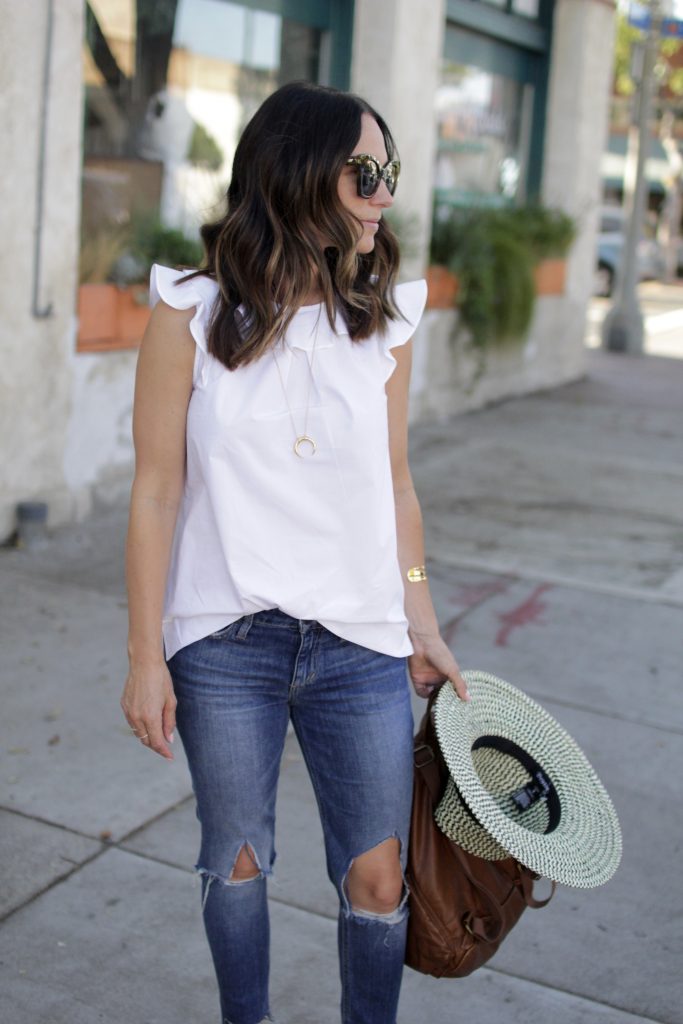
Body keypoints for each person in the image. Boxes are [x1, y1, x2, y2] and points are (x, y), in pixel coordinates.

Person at [120, 81, 469, 1024]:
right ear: (299, 171)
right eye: (366, 173)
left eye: (388, 174)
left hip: (357, 641)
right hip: (222, 639)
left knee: (378, 875)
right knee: (233, 862)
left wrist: (420, 619)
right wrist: (145, 656)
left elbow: (395, 488)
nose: (383, 195)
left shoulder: (383, 320)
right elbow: (156, 490)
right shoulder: (188, 311)